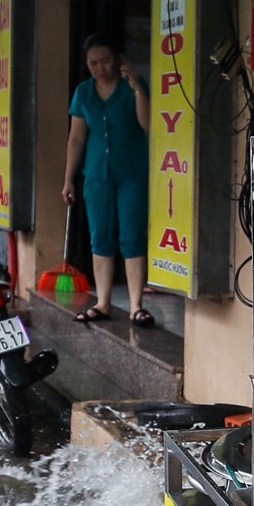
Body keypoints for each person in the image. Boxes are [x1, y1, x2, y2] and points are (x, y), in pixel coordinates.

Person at [62, 34, 152, 326]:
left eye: (106, 61)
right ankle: (103, 303)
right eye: (93, 63)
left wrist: (137, 87)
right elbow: (76, 139)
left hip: (132, 174)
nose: (100, 68)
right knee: (100, 236)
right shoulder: (83, 92)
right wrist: (68, 180)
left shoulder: (133, 88)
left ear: (118, 60)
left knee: (132, 235)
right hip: (96, 174)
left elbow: (148, 124)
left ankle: (136, 305)